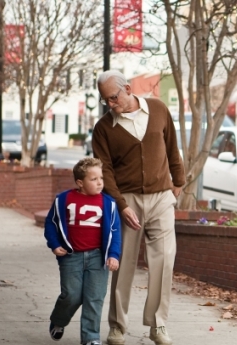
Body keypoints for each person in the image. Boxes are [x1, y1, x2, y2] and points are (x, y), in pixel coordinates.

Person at [93, 70, 185, 345]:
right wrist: (121, 205)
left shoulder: (157, 109)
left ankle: (158, 324)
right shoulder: (104, 128)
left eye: (113, 97)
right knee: (122, 265)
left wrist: (177, 182)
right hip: (127, 201)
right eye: (105, 100)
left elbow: (172, 148)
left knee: (164, 260)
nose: (110, 104)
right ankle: (118, 326)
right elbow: (105, 171)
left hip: (160, 198)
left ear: (129, 89)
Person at [44, 157, 122, 345]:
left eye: (100, 178)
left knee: (94, 298)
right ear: (80, 182)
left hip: (98, 257)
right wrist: (54, 244)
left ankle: (90, 338)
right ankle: (59, 320)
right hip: (71, 257)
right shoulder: (63, 200)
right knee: (71, 295)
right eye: (93, 179)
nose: (99, 182)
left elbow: (115, 231)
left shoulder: (108, 203)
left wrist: (113, 254)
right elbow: (50, 224)